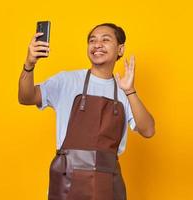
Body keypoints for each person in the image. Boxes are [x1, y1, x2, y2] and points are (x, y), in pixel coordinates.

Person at [18, 23, 155, 200]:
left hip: (108, 181)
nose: (97, 44)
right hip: (67, 178)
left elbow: (148, 130)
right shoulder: (66, 80)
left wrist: (130, 91)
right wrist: (29, 64)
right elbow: (26, 97)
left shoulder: (124, 91)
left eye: (105, 39)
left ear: (120, 49)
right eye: (92, 40)